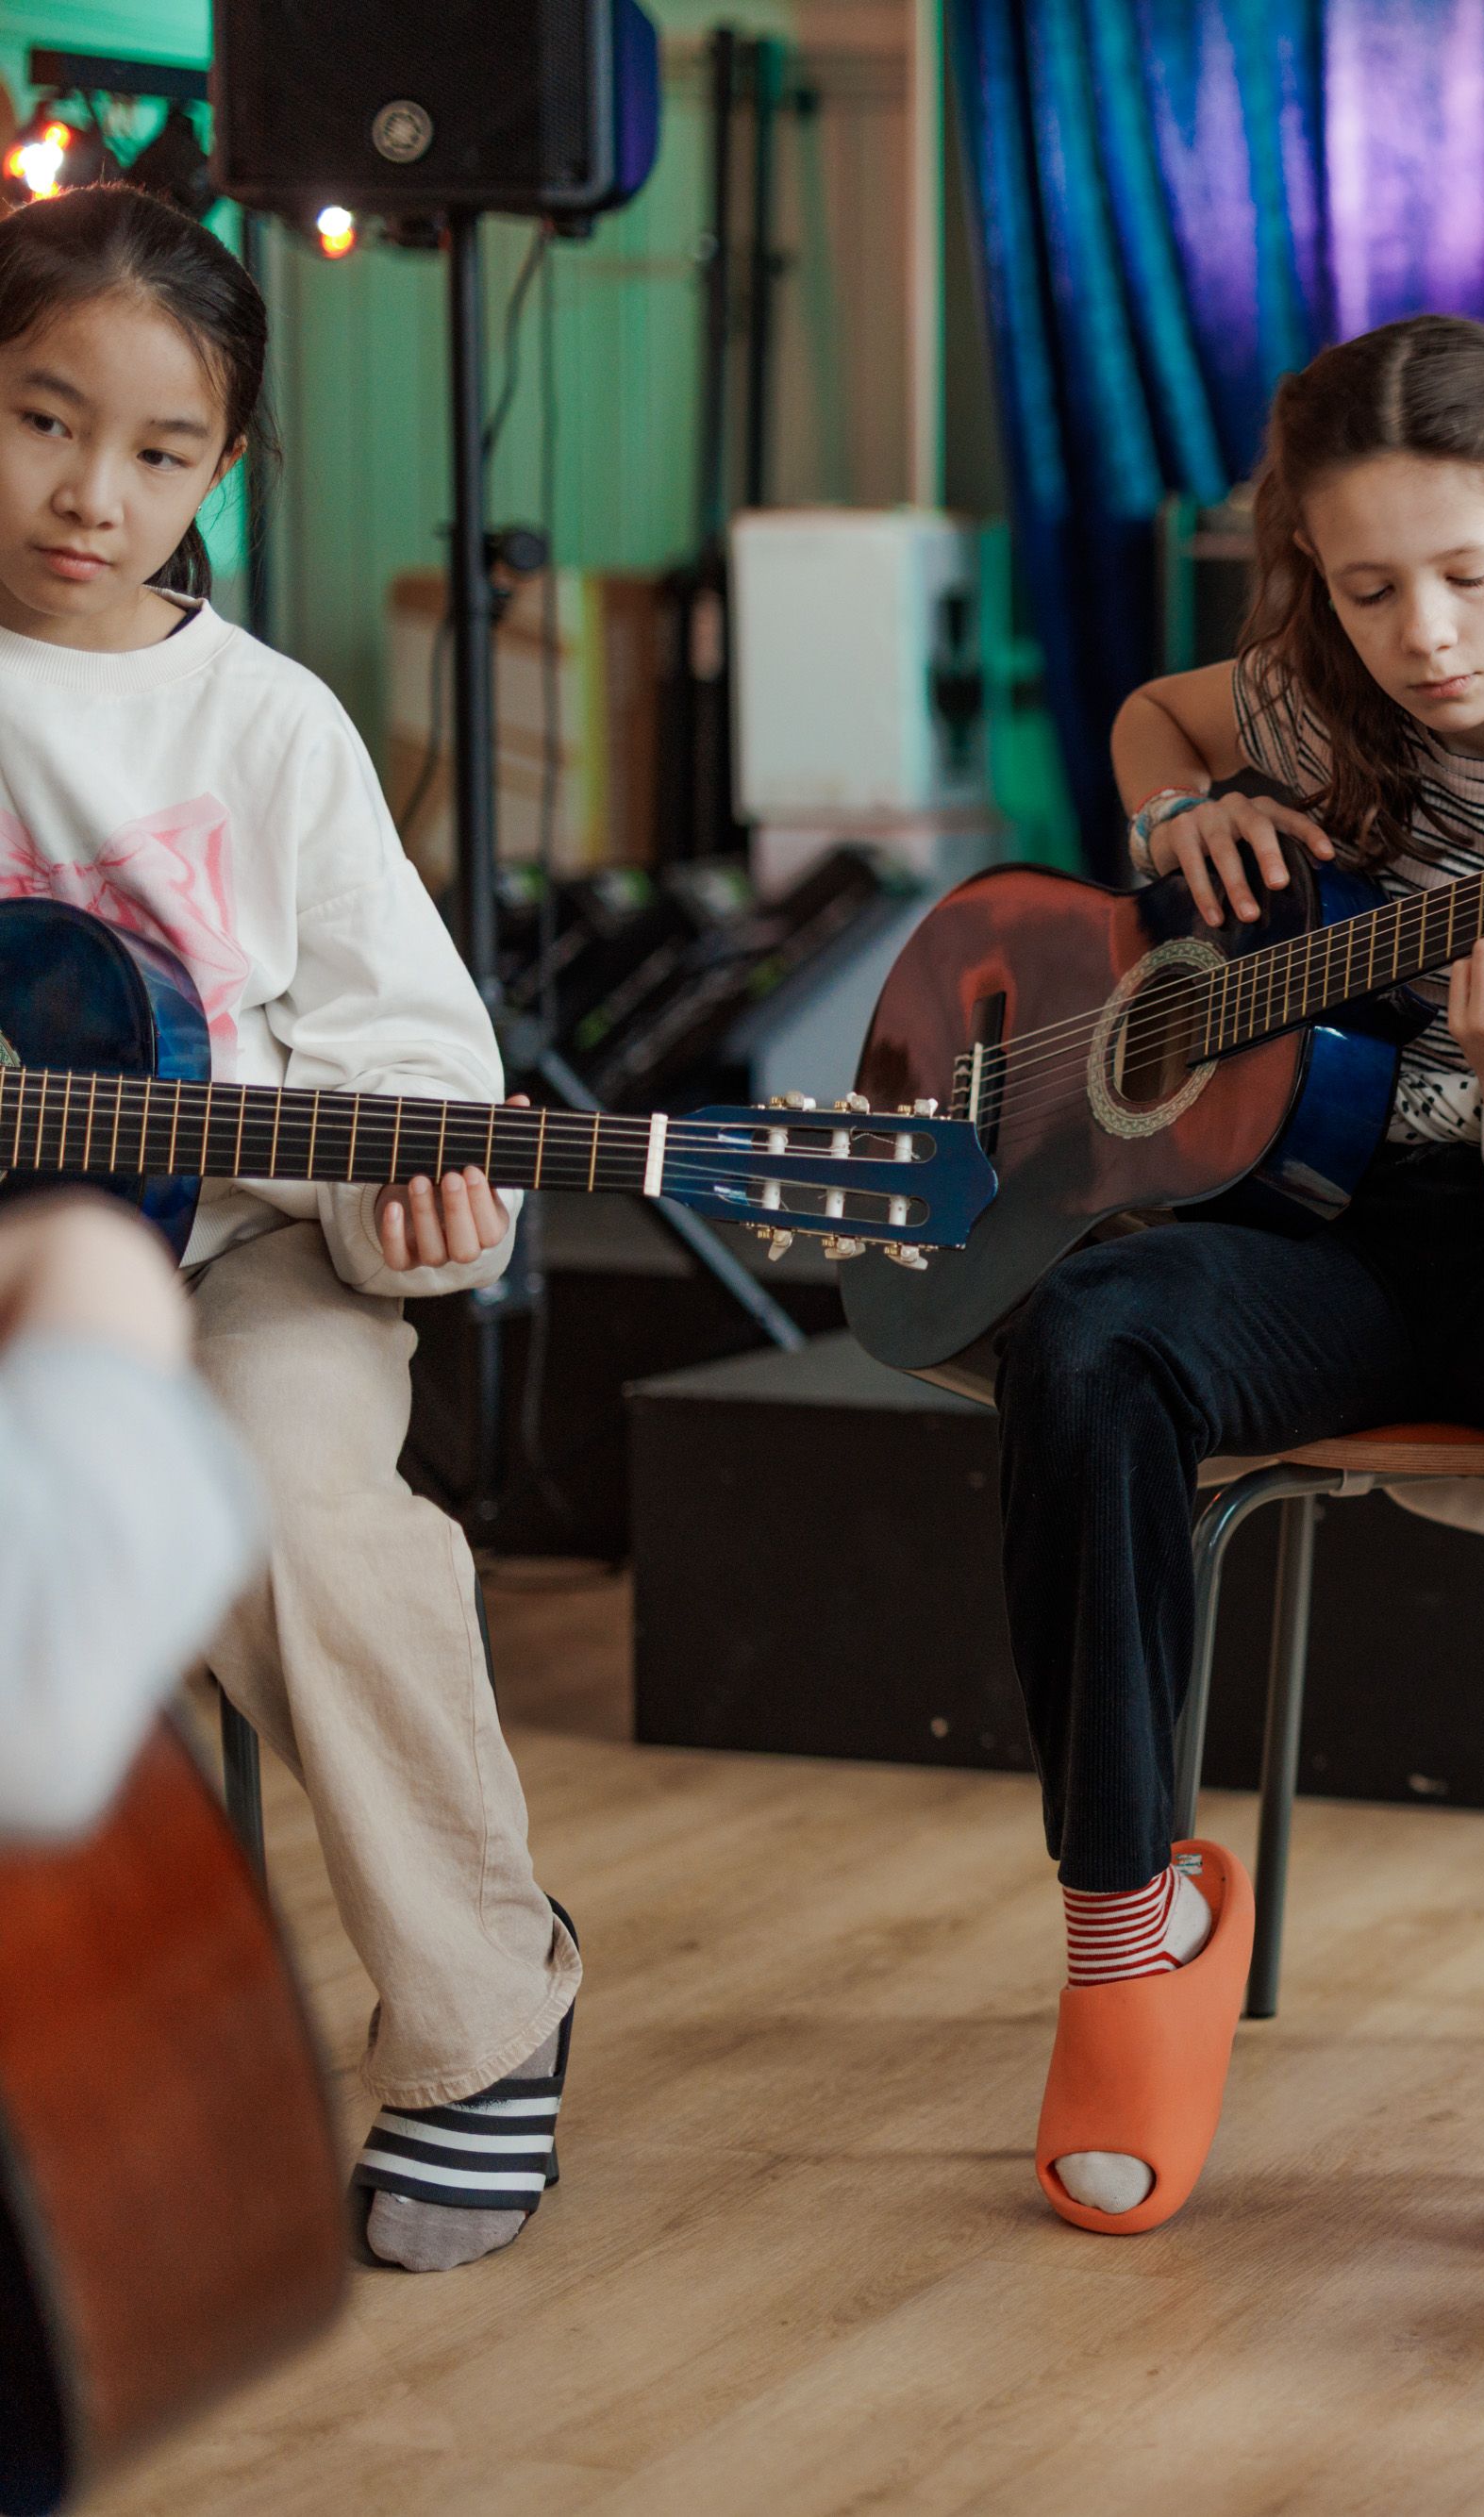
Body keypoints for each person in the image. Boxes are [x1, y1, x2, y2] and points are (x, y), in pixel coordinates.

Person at [998, 312, 1484, 2252]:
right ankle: (1131, 1917)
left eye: (1462, 572)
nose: (1421, 632)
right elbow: (1153, 720)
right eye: (1365, 588)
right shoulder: (1301, 696)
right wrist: (1179, 812)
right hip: (1307, 1226)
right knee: (1088, 1335)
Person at [0, 185, 575, 2275]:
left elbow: (414, 1066)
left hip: (243, 1254)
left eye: (157, 453)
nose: (91, 493)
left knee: (297, 1513)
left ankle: (479, 2011)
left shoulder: (265, 724)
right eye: (42, 420)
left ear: (221, 469)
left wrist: (419, 1196)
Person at [0, 1192, 258, 1844]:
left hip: (268, 1259)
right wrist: (94, 1266)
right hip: (87, 1281)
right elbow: (44, 1711)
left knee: (318, 1514)